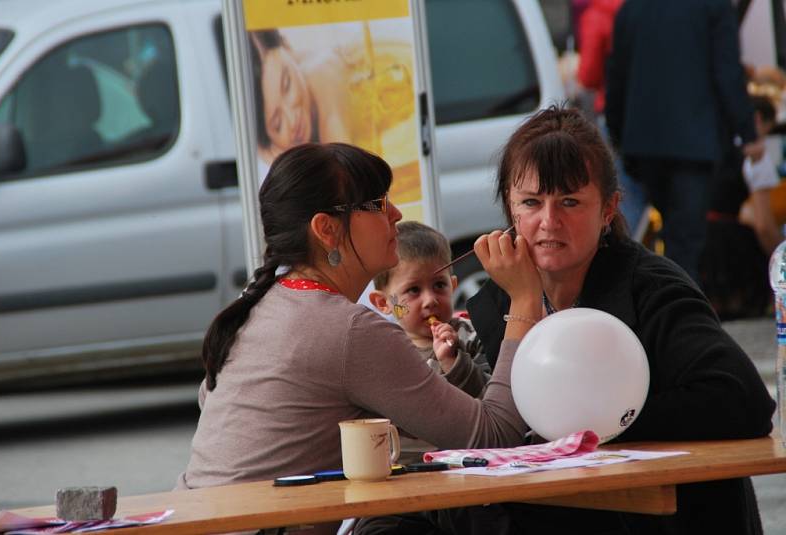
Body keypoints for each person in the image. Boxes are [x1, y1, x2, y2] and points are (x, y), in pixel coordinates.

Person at [357, 106, 775, 535]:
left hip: (664, 517)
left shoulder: (653, 289)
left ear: (608, 209)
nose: (548, 222)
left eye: (570, 202)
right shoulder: (494, 303)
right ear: (510, 210)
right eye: (531, 203)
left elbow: (745, 401)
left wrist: (589, 426)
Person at [177, 142, 541, 534]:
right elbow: (494, 436)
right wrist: (523, 298)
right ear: (327, 230)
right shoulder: (348, 330)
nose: (396, 214)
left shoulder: (261, 305)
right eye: (377, 204)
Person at [605, 0, 764, 282]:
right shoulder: (714, 6)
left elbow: (617, 77)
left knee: (664, 235)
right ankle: (681, 315)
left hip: (644, 143)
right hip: (695, 143)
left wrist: (620, 135)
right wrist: (747, 131)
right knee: (686, 244)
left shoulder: (632, 9)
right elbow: (727, 72)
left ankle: (665, 309)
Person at [369, 221, 491, 463]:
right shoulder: (383, 351)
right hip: (405, 469)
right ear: (383, 303)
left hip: (466, 464)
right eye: (413, 290)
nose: (430, 300)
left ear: (453, 286)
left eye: (439, 285)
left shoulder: (470, 336)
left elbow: (490, 402)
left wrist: (454, 362)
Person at [250, 29, 414, 166]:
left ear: (288, 49)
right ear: (267, 141)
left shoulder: (320, 71)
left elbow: (342, 185)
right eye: (277, 124)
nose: (292, 120)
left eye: (287, 85)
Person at [700, 95, 782, 319]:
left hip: (699, 247)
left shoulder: (707, 143)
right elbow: (764, 226)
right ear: (757, 120)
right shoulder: (756, 157)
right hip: (732, 253)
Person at [575, 0, 648, 238]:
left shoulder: (597, 15)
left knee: (627, 200)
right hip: (655, 117)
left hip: (615, 115)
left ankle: (628, 258)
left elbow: (588, 76)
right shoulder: (644, 9)